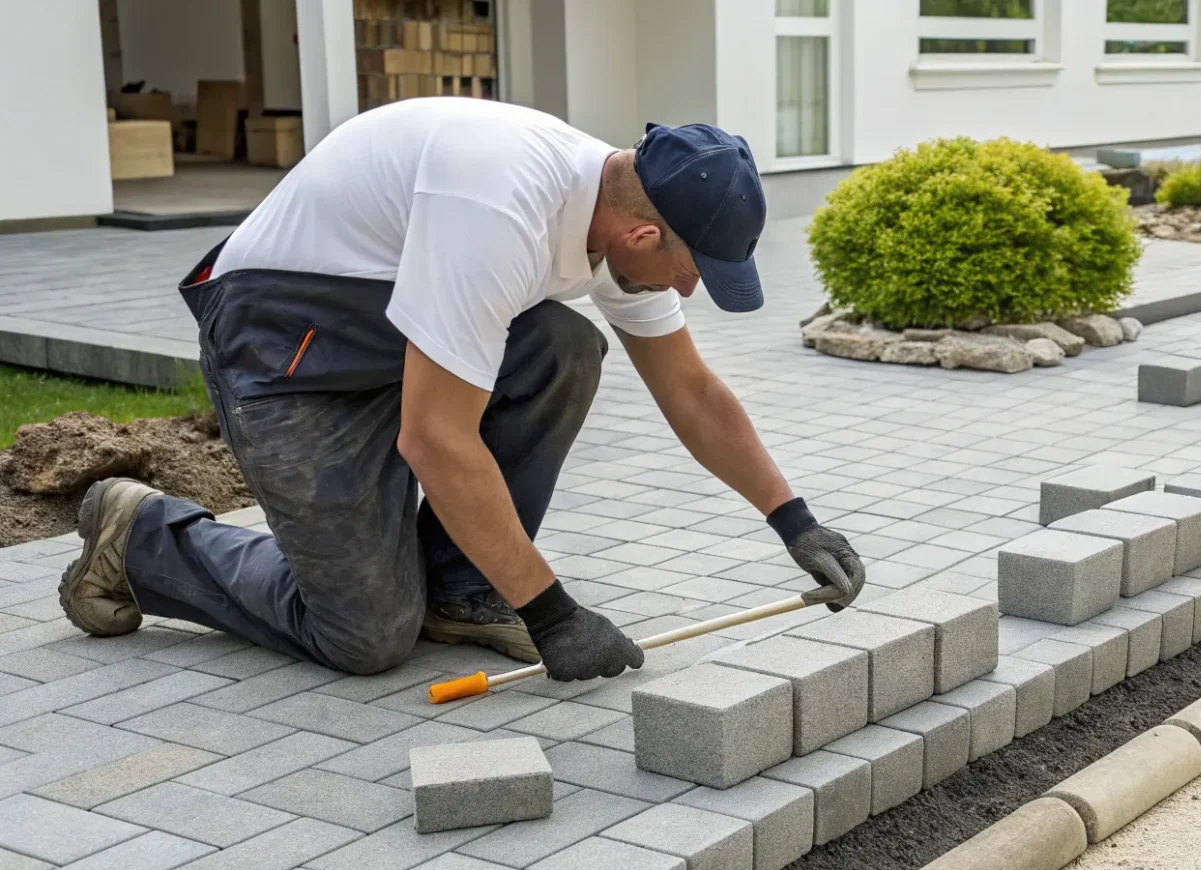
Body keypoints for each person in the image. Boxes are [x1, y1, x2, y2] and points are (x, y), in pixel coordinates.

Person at [57, 97, 865, 682]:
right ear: (643, 233)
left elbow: (691, 391)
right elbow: (435, 438)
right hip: (286, 347)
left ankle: (461, 591)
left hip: (390, 335)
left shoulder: (622, 213)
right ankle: (144, 537)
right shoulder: (500, 205)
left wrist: (795, 522)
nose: (686, 291)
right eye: (691, 271)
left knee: (561, 349)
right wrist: (554, 614)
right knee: (366, 636)